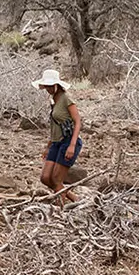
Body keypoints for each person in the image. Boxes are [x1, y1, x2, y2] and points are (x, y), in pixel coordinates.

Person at [31, 69, 82, 202]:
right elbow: (55, 126)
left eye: (49, 85)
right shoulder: (54, 100)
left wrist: (72, 145)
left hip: (68, 141)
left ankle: (64, 205)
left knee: (56, 179)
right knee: (45, 178)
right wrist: (48, 146)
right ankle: (73, 198)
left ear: (57, 85)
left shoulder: (66, 99)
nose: (47, 89)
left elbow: (77, 121)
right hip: (56, 142)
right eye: (46, 86)